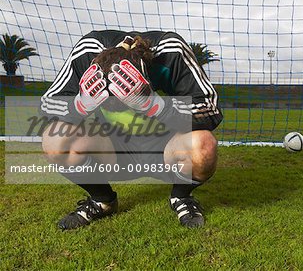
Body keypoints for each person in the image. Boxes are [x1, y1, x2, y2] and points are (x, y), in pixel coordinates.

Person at [40, 30, 222, 230]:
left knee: (203, 145)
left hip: (166, 147)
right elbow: (47, 106)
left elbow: (209, 109)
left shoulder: (171, 51)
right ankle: (102, 200)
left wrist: (155, 105)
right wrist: (80, 105)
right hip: (113, 148)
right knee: (54, 139)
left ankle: (181, 197)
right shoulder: (88, 51)